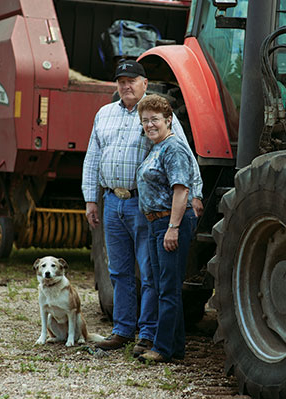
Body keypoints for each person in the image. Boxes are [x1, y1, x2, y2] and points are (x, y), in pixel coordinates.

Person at [81, 60, 203, 353]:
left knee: (149, 273)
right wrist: (90, 198)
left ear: (144, 84)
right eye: (121, 81)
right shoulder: (104, 114)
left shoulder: (155, 115)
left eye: (132, 80)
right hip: (111, 201)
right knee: (119, 271)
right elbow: (93, 157)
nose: (126, 85)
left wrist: (196, 193)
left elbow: (183, 155)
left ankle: (147, 334)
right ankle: (122, 330)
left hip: (143, 204)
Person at [135, 94, 198, 363]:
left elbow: (181, 190)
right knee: (164, 285)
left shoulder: (174, 148)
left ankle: (161, 348)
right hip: (155, 222)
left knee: (168, 288)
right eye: (145, 120)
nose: (150, 125)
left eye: (155, 119)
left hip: (169, 222)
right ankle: (176, 347)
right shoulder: (157, 147)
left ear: (169, 120)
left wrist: (173, 227)